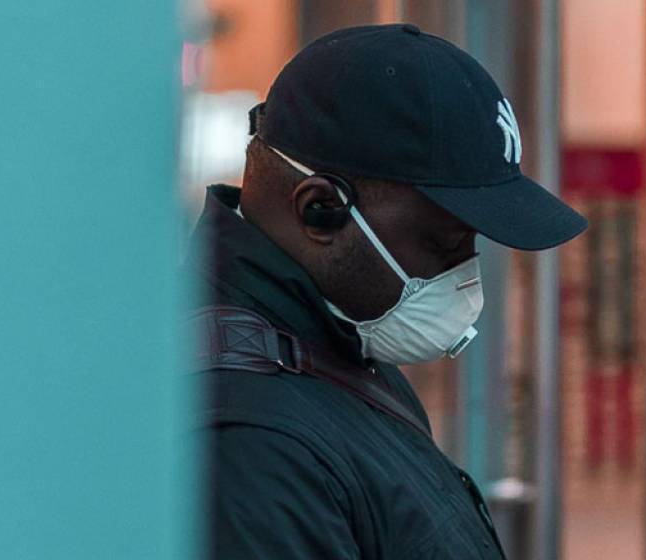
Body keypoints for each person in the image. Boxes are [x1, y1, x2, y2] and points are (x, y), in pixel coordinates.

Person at [185, 23, 587, 559]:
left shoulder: (336, 342)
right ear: (320, 209)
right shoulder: (248, 442)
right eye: (442, 242)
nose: (465, 271)